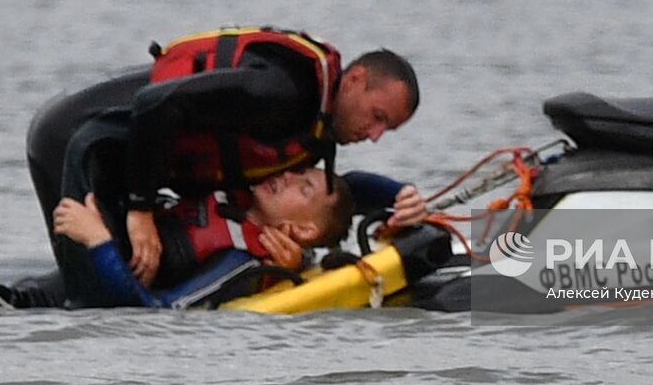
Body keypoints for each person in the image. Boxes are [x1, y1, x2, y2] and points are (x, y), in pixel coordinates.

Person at [38, 26, 428, 294]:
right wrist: (139, 211)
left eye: (387, 130)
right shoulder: (283, 91)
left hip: (116, 159)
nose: (374, 135)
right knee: (94, 297)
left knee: (121, 269)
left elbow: (333, 198)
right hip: (77, 139)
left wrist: (402, 196)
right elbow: (155, 104)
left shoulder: (314, 125)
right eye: (377, 117)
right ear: (356, 79)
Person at [53, 166, 355, 308]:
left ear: (304, 230)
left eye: (304, 189)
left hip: (93, 284)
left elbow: (157, 312)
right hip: (62, 279)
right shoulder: (232, 188)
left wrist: (97, 240)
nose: (288, 177)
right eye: (298, 171)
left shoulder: (241, 263)